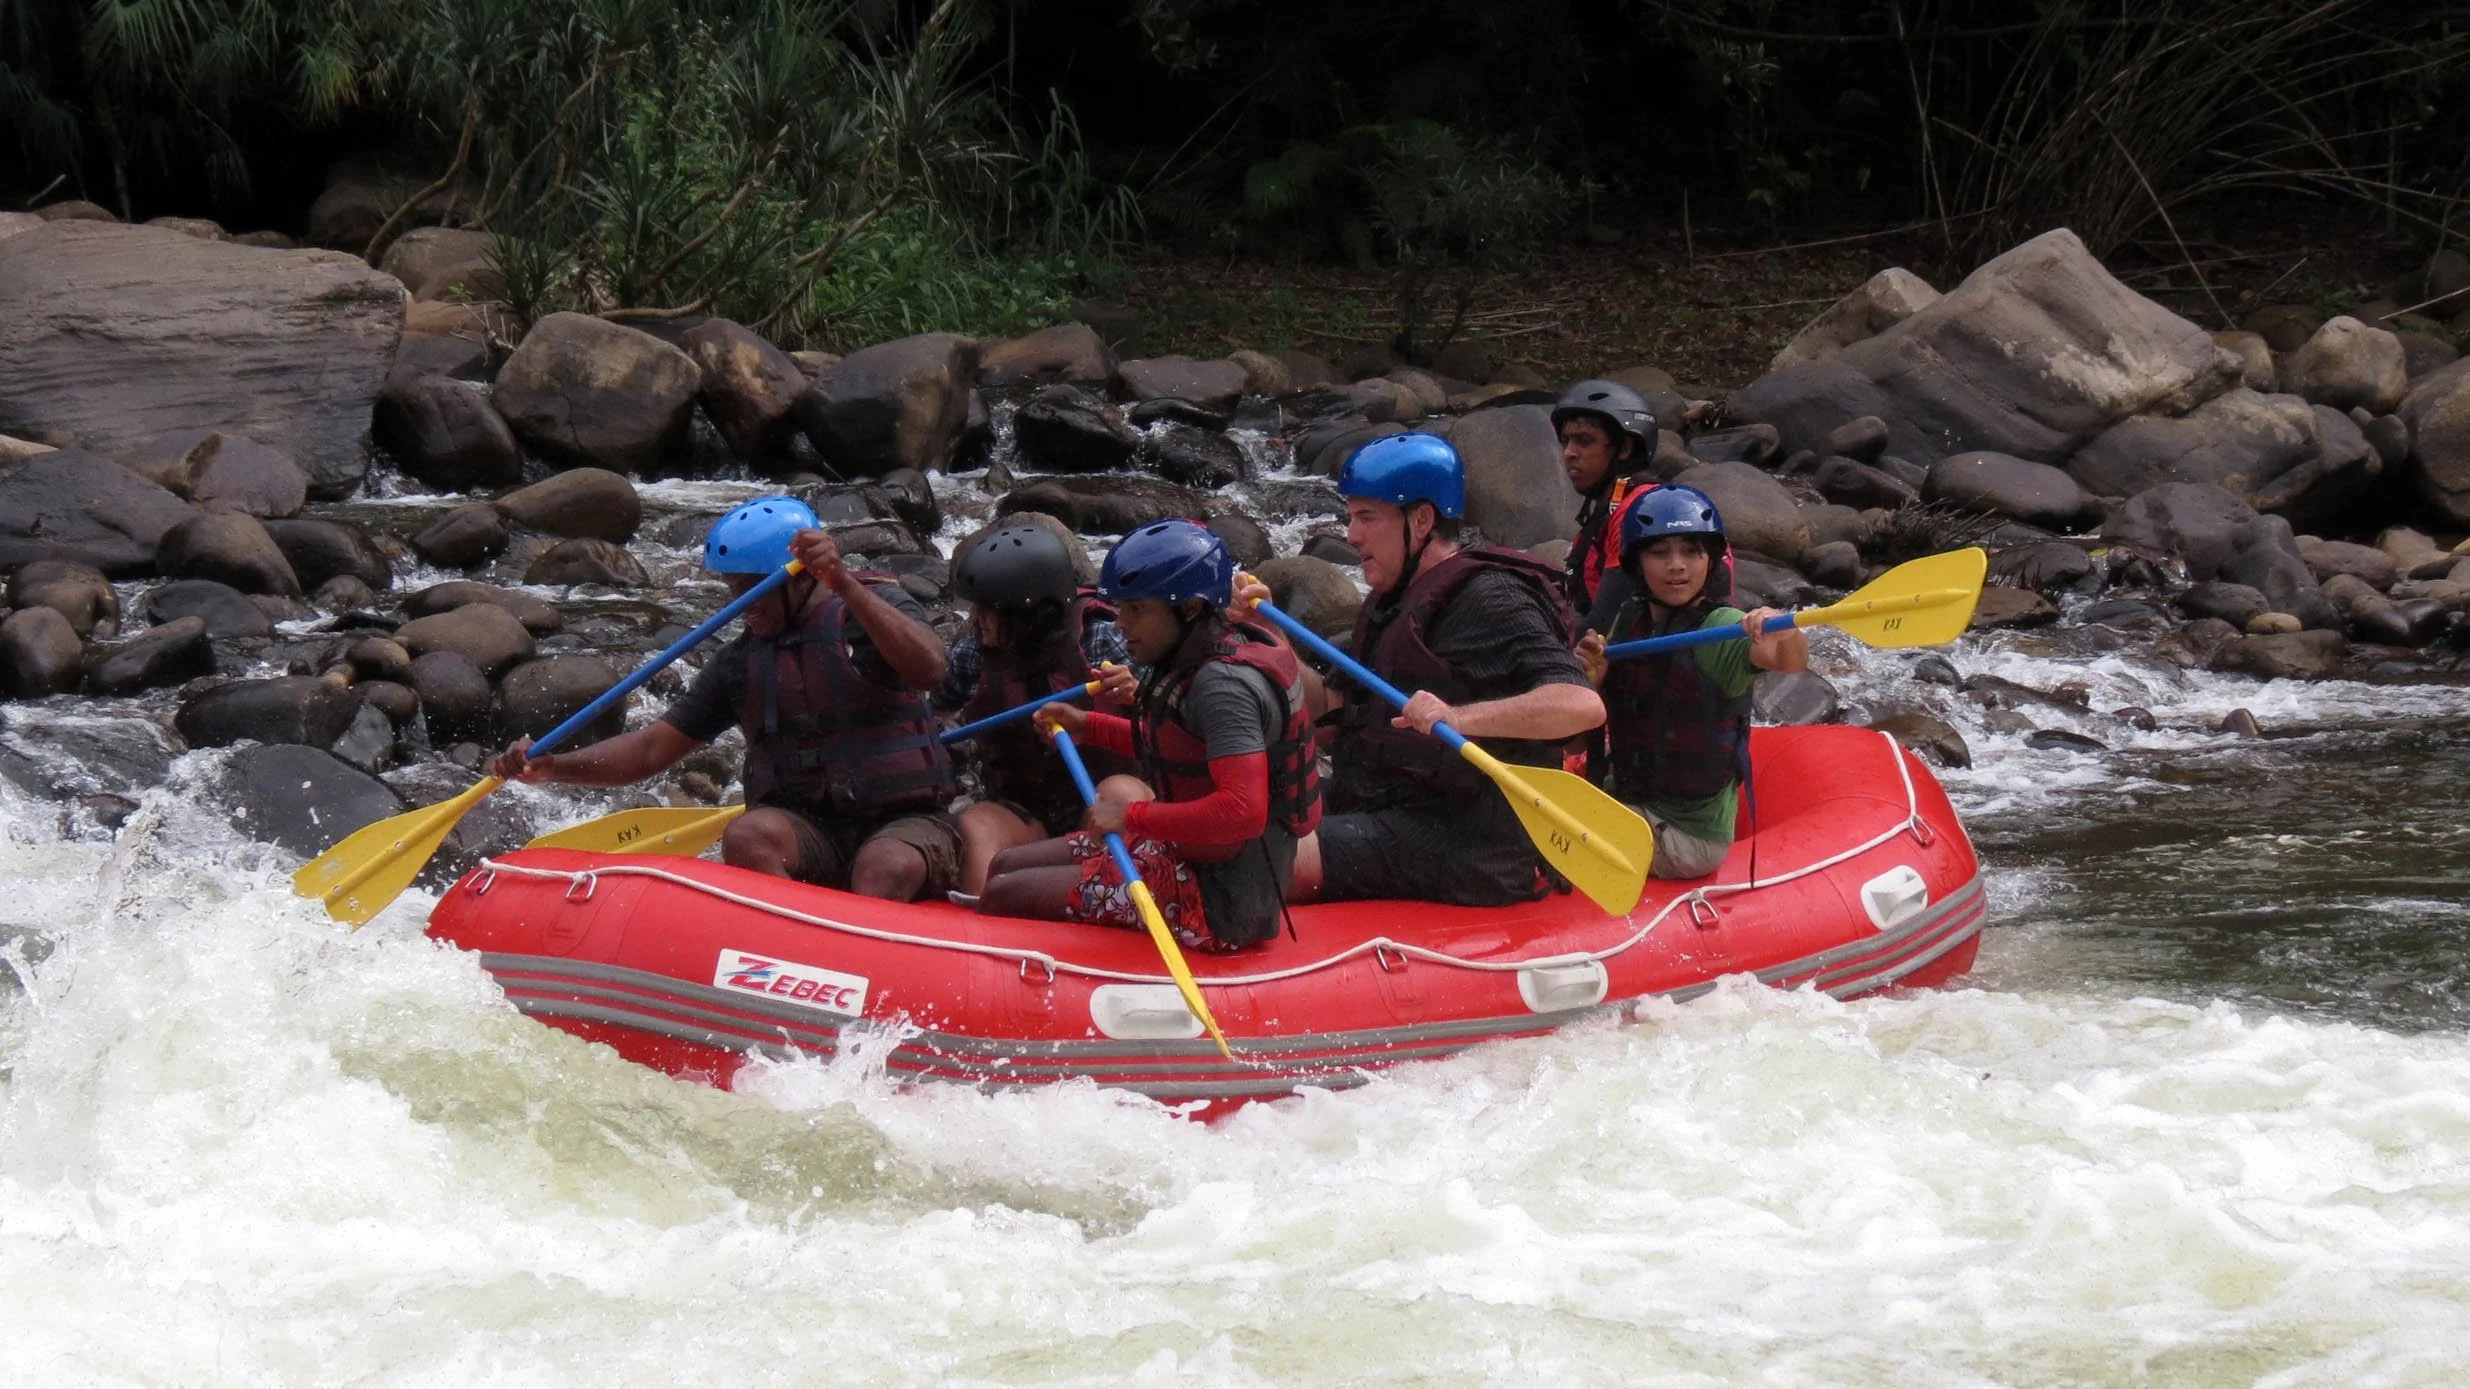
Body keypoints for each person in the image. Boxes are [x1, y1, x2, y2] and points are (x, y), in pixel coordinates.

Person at [491, 495, 962, 900]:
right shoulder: (741, 662)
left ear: (798, 578)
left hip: (906, 821)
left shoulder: (871, 612)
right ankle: (785, 954)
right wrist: (554, 766)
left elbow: (931, 667)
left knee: (883, 866)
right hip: (811, 833)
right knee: (749, 834)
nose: (738, 604)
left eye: (748, 589)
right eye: (730, 589)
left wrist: (844, 584)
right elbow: (652, 749)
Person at [1287, 434, 1606, 907]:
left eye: (1367, 518)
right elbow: (1330, 712)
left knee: (1267, 859)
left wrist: (1460, 719)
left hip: (1466, 838)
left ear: (1421, 520)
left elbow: (1581, 704)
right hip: (1387, 800)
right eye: (1351, 517)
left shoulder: (1492, 597)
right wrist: (1267, 636)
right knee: (1250, 825)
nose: (1351, 535)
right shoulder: (1390, 599)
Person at [977, 520, 1320, 953]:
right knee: (1006, 864)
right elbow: (1177, 746)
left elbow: (1242, 812)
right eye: (1121, 608)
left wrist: (1132, 816)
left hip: (1217, 900)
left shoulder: (1224, 687)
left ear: (1190, 609)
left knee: (1005, 893)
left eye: (1137, 610)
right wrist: (1091, 726)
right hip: (1183, 854)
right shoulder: (1190, 655)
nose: (1120, 623)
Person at [1575, 486, 1807, 880]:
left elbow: (1789, 662)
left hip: (1689, 836)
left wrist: (1783, 631)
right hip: (1629, 797)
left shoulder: (1719, 630)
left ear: (1710, 561)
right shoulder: (1628, 622)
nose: (1677, 566)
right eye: (1660, 552)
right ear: (1636, 564)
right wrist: (1592, 681)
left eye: (1692, 552)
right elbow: (1584, 732)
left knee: (1551, 840)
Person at [934, 522, 1139, 894]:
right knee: (975, 827)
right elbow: (934, 715)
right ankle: (983, 926)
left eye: (988, 609)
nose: (976, 619)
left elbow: (1176, 718)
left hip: (1100, 799)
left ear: (1028, 615)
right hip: (1026, 809)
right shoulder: (972, 657)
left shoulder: (1102, 640)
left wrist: (1136, 693)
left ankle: (1120, 900)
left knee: (1126, 796)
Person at [1552, 378, 1662, 622]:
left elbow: (1606, 618)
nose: (1569, 452)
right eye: (1565, 440)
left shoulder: (1639, 511)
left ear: (1624, 448)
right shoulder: (1604, 514)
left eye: (1584, 441)